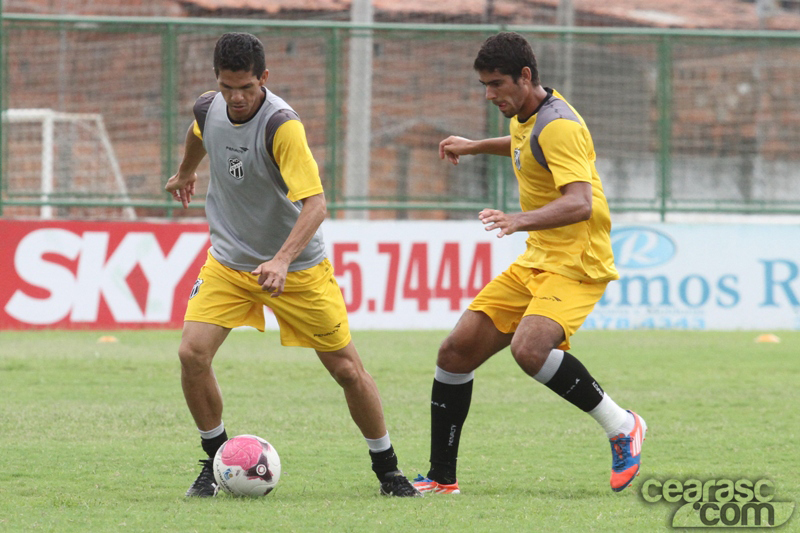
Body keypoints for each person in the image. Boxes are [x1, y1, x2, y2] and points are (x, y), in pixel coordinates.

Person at [165, 32, 419, 498]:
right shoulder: (208, 106)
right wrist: (186, 170)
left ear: (264, 78)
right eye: (227, 87)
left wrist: (281, 260)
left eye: (246, 87)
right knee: (191, 354)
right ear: (217, 82)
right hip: (228, 263)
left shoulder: (281, 126)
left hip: (297, 270)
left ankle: (388, 470)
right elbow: (200, 132)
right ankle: (215, 461)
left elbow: (317, 204)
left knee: (347, 370)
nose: (236, 98)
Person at [412, 32, 646, 495]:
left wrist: (520, 219)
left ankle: (622, 426)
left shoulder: (559, 124)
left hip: (578, 260)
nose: (489, 94)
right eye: (483, 85)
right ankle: (442, 478)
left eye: (496, 84)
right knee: (455, 352)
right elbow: (525, 146)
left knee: (530, 349)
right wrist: (475, 145)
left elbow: (580, 203)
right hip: (539, 258)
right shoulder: (529, 114)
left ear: (525, 76)